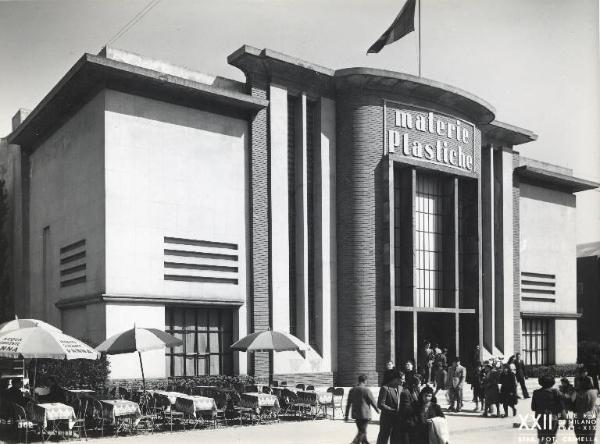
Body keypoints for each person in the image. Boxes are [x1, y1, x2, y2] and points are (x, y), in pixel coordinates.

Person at [345, 374, 380, 444]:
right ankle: (354, 443)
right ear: (365, 381)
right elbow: (372, 401)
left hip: (356, 414)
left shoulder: (352, 390)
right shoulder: (366, 390)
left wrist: (346, 415)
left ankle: (365, 442)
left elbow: (348, 403)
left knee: (362, 430)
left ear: (358, 380)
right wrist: (377, 410)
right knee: (362, 432)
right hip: (365, 415)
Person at [531, 375, 565, 444]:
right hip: (552, 418)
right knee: (551, 439)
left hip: (540, 419)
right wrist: (565, 418)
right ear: (552, 383)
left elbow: (533, 407)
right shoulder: (556, 392)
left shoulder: (536, 393)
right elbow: (561, 406)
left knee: (542, 439)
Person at [376, 370, 403, 444]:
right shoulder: (385, 388)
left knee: (396, 439)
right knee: (383, 439)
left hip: (397, 419)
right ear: (396, 379)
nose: (403, 381)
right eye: (402, 379)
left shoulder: (401, 388)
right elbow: (380, 404)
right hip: (387, 419)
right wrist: (392, 410)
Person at [572, 375, 598, 443]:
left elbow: (571, 402)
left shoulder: (576, 393)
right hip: (591, 416)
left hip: (579, 416)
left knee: (580, 439)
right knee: (590, 439)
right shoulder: (595, 391)